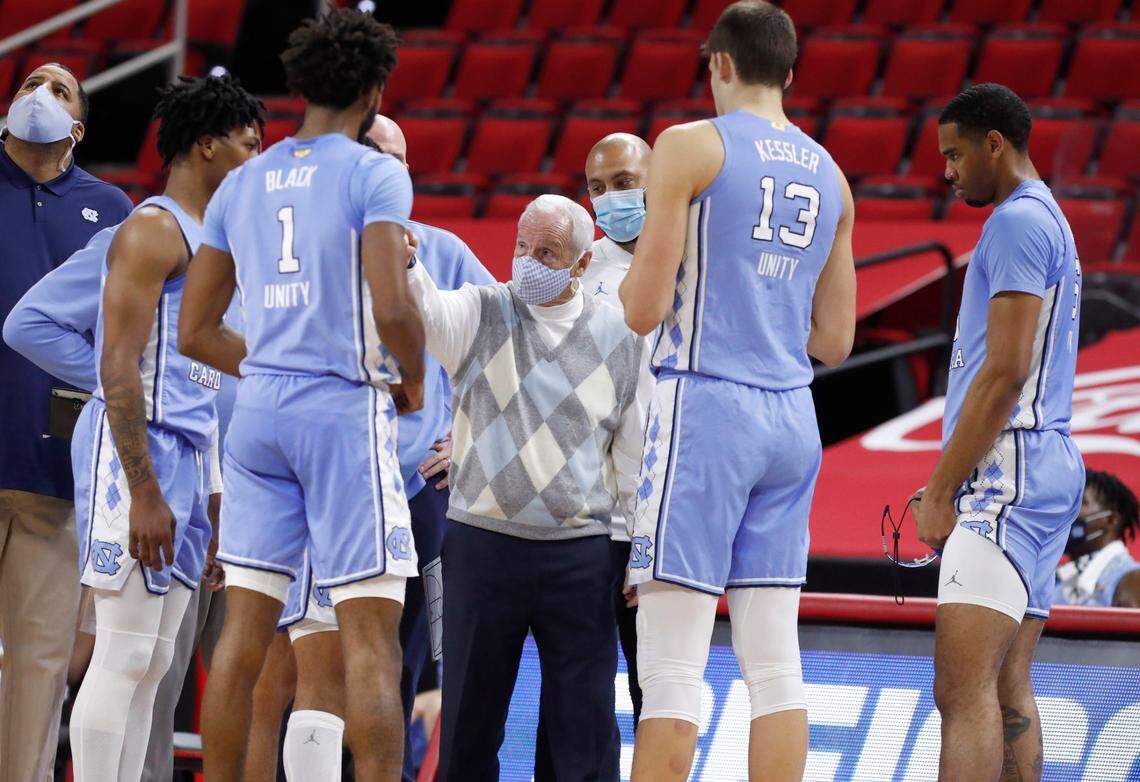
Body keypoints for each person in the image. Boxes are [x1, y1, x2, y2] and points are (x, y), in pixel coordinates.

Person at [179, 10, 425, 781]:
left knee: (243, 639)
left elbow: (195, 330)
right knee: (368, 642)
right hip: (340, 413)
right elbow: (392, 306)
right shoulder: (373, 171)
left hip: (259, 418)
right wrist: (412, 380)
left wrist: (274, 366)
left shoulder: (243, 182)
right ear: (375, 90)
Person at [618, 3, 856, 780]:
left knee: (673, 667)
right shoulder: (831, 174)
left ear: (717, 62)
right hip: (791, 415)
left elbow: (642, 309)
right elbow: (835, 341)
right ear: (788, 74)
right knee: (775, 664)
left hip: (707, 406)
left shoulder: (689, 145)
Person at [4, 74, 264, 782]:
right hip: (134, 458)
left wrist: (208, 501)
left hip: (184, 457)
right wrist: (144, 486)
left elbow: (199, 389)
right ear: (207, 146)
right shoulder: (151, 229)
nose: (257, 160)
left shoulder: (213, 240)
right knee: (121, 655)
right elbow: (117, 363)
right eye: (249, 145)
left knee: (151, 665)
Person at [242, 114, 494, 782]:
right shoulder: (305, 253)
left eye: (399, 156)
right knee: (293, 664)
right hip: (323, 480)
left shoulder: (443, 250)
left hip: (416, 490)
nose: (389, 166)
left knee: (405, 662)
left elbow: (506, 352)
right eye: (375, 152)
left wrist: (470, 438)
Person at [406, 193, 649, 781]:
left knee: (583, 737)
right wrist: (409, 267)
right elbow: (428, 314)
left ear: (583, 263)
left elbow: (635, 455)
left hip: (582, 556)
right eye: (522, 246)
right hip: (482, 548)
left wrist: (637, 551)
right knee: (467, 730)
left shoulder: (623, 336)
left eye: (547, 251)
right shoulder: (482, 310)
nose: (529, 261)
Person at [912, 83, 1084, 782]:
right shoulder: (1051, 219)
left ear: (994, 144)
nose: (946, 171)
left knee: (961, 694)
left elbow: (1005, 372)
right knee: (1008, 689)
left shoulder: (1016, 223)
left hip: (1005, 473)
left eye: (954, 155)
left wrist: (941, 488)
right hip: (1045, 463)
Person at [0, 61, 133, 782]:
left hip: (57, 476)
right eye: (29, 85)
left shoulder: (112, 209)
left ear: (78, 127)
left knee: (40, 668)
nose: (40, 98)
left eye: (59, 91)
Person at [582, 131, 651, 718]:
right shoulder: (580, 273)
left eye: (625, 184)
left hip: (668, 511)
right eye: (598, 189)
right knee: (578, 691)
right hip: (591, 519)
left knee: (657, 690)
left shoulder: (696, 262)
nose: (611, 200)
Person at [1055, 470, 1140, 608]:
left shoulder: (1132, 579)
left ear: (1111, 520)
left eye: (1081, 502)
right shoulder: (1057, 579)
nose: (1067, 511)